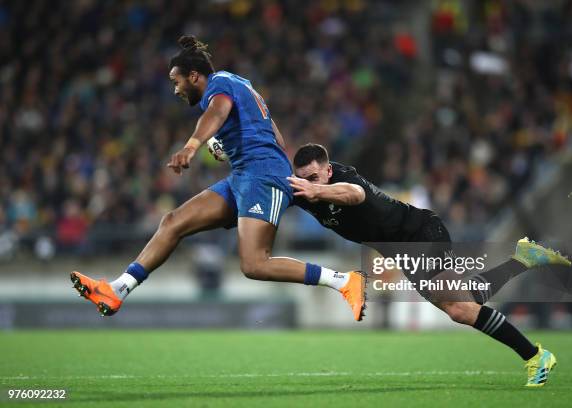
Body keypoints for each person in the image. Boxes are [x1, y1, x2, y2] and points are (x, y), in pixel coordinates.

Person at [70, 36, 366, 322]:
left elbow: (218, 111)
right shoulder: (242, 85)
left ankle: (343, 281)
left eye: (177, 82)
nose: (175, 90)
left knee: (254, 264)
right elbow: (275, 135)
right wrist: (231, 144)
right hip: (244, 175)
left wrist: (192, 146)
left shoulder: (220, 85)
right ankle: (117, 290)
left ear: (194, 76)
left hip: (262, 175)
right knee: (173, 222)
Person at [288, 143, 571, 387]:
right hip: (403, 251)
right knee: (465, 302)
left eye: (314, 177)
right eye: (303, 179)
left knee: (460, 308)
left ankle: (535, 356)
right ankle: (523, 259)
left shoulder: (342, 179)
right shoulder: (305, 191)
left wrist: (317, 192)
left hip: (422, 232)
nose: (309, 184)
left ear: (328, 171)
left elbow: (354, 194)